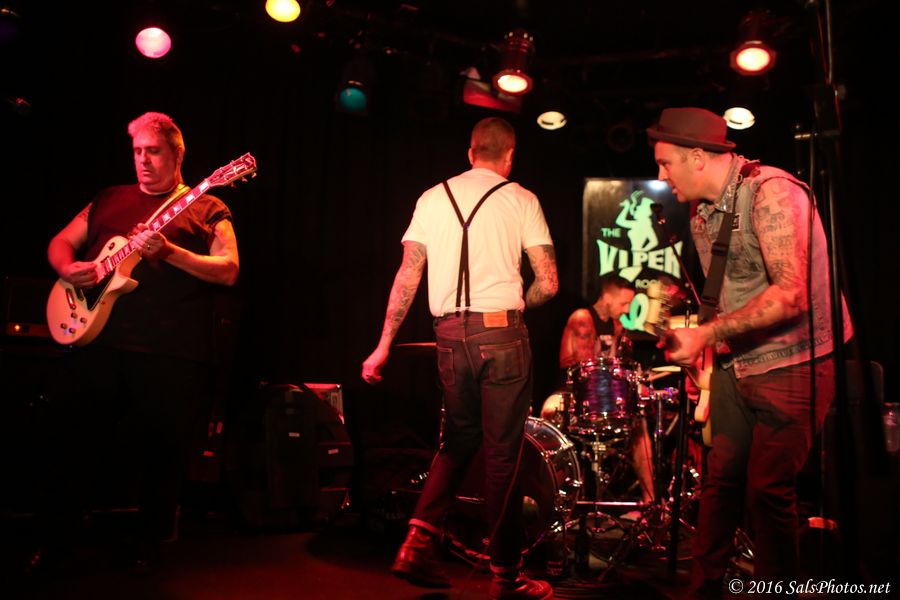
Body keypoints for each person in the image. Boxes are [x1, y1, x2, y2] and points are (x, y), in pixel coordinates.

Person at [646, 107, 852, 596]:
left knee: (767, 490)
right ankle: (704, 588)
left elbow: (790, 295)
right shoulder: (700, 212)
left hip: (796, 360)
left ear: (697, 157)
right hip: (739, 363)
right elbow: (730, 296)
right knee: (720, 482)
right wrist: (701, 346)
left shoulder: (773, 192)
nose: (662, 176)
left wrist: (706, 337)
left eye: (666, 163)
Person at [362, 117, 557, 600]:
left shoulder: (432, 198)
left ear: (471, 152)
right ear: (509, 156)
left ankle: (416, 543)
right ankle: (506, 577)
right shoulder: (522, 199)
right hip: (501, 335)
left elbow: (408, 274)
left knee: (459, 441)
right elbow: (549, 283)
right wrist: (515, 306)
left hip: (449, 335)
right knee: (503, 455)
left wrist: (383, 345)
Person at [40, 111, 239, 571]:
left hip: (168, 352)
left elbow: (229, 269)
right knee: (70, 444)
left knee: (160, 455)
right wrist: (68, 268)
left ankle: (148, 548)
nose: (143, 161)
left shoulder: (207, 206)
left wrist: (170, 252)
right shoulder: (109, 198)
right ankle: (56, 544)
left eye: (154, 151)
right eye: (137, 151)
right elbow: (60, 242)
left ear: (177, 154)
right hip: (97, 343)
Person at [544, 274, 654, 515]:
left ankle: (650, 502)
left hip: (605, 399)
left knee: (639, 422)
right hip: (573, 395)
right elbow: (583, 368)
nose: (627, 310)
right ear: (607, 297)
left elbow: (622, 368)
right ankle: (554, 500)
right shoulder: (582, 318)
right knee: (548, 411)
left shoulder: (618, 326)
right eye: (624, 303)